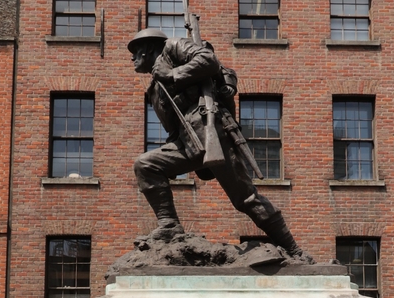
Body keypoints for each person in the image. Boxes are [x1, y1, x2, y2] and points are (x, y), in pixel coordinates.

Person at [128, 28, 307, 258]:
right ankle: (170, 225)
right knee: (146, 165)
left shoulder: (172, 48)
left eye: (135, 51)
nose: (132, 57)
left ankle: (294, 250)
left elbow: (208, 60)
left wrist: (173, 74)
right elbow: (174, 126)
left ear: (148, 49)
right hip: (187, 141)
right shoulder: (153, 88)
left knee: (246, 199)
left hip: (209, 130)